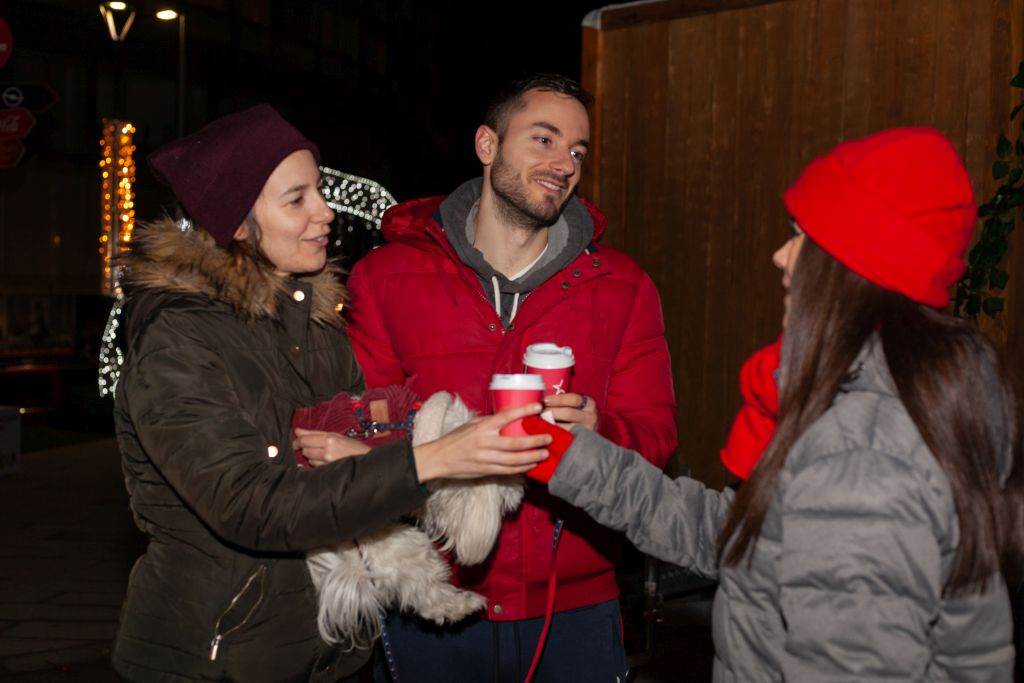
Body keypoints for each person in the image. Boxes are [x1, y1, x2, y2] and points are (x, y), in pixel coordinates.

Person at [523, 127, 1022, 680]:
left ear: (854, 266)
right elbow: (743, 537)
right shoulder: (898, 404)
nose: (780, 256)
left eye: (800, 236)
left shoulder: (859, 457)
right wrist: (569, 458)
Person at [111, 104, 551, 683]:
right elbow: (253, 507)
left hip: (329, 655)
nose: (325, 212)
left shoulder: (315, 326)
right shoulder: (177, 339)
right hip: (215, 658)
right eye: (297, 200)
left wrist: (433, 438)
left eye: (319, 192)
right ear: (236, 224)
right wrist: (434, 459)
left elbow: (349, 464)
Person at [345, 74, 677, 680]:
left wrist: (602, 430)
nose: (563, 164)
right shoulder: (386, 277)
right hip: (430, 598)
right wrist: (443, 439)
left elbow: (656, 439)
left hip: (574, 605)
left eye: (577, 151)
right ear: (487, 144)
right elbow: (361, 427)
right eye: (543, 140)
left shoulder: (623, 286)